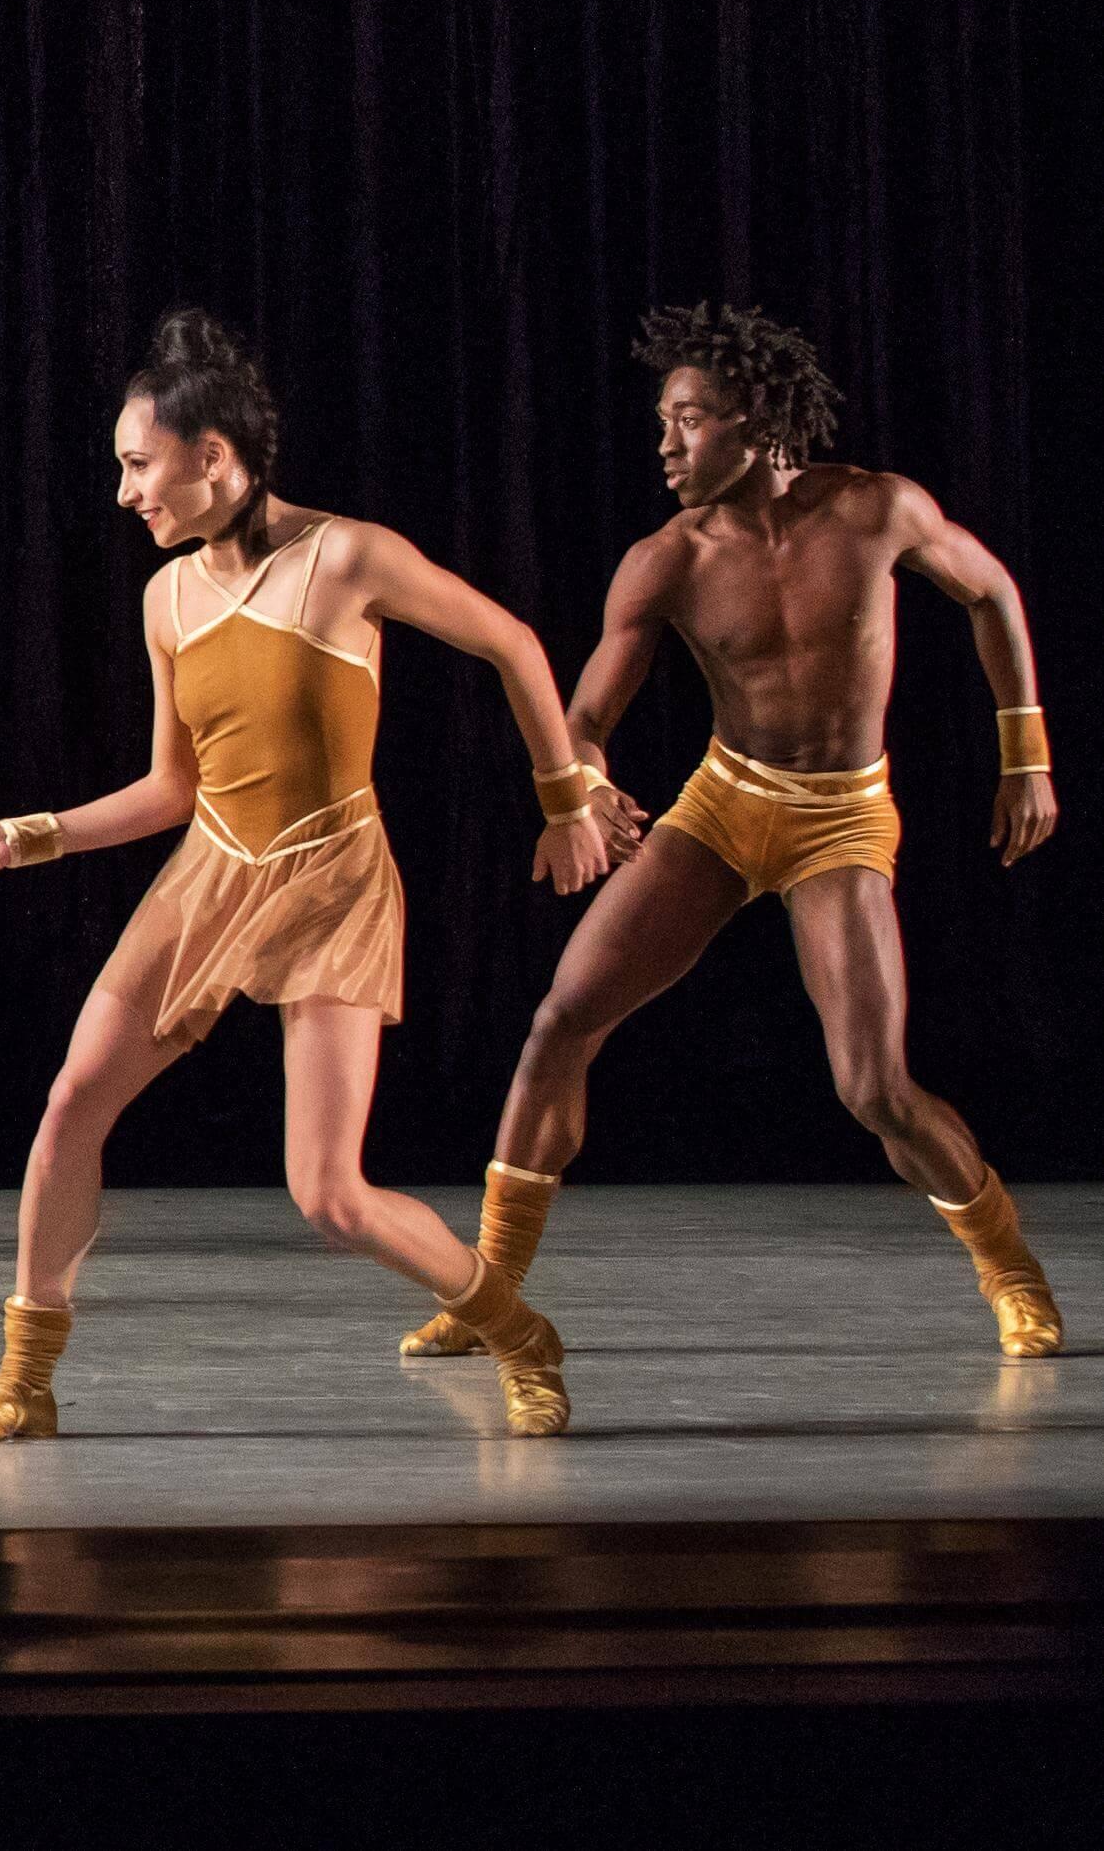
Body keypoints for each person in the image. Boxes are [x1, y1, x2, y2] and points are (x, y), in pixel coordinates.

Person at [0, 310, 609, 1443]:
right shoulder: (168, 600)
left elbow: (515, 646)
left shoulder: (345, 558)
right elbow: (170, 790)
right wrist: (21, 835)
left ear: (214, 454)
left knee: (329, 1196)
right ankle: (24, 1384)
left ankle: (517, 1332)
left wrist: (566, 800)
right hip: (211, 874)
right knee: (68, 1107)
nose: (125, 492)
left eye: (139, 465)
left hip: (333, 879)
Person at [396, 305, 1062, 1365]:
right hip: (722, 805)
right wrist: (584, 789)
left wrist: (1025, 755)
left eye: (688, 420)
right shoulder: (664, 562)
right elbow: (580, 723)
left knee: (873, 1089)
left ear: (756, 419)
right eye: (665, 422)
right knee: (561, 1019)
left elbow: (992, 595)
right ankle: (491, 1294)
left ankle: (1009, 1268)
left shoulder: (876, 510)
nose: (665, 445)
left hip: (840, 816)